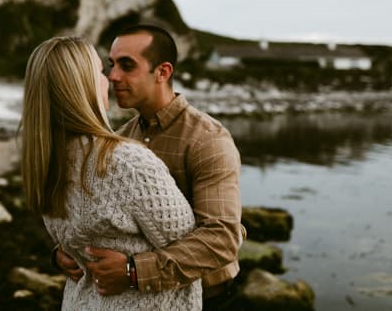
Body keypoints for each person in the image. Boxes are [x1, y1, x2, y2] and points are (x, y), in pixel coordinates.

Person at [54, 25, 244, 310]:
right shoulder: (119, 139)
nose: (113, 76)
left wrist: (133, 272)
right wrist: (65, 252)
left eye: (127, 66)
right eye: (111, 65)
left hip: (209, 297)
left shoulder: (207, 139)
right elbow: (102, 218)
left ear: (163, 72)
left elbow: (222, 239)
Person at [21, 35, 202, 310]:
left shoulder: (46, 162)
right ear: (81, 86)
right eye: (100, 71)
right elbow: (192, 252)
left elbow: (78, 241)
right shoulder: (126, 162)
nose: (111, 79)